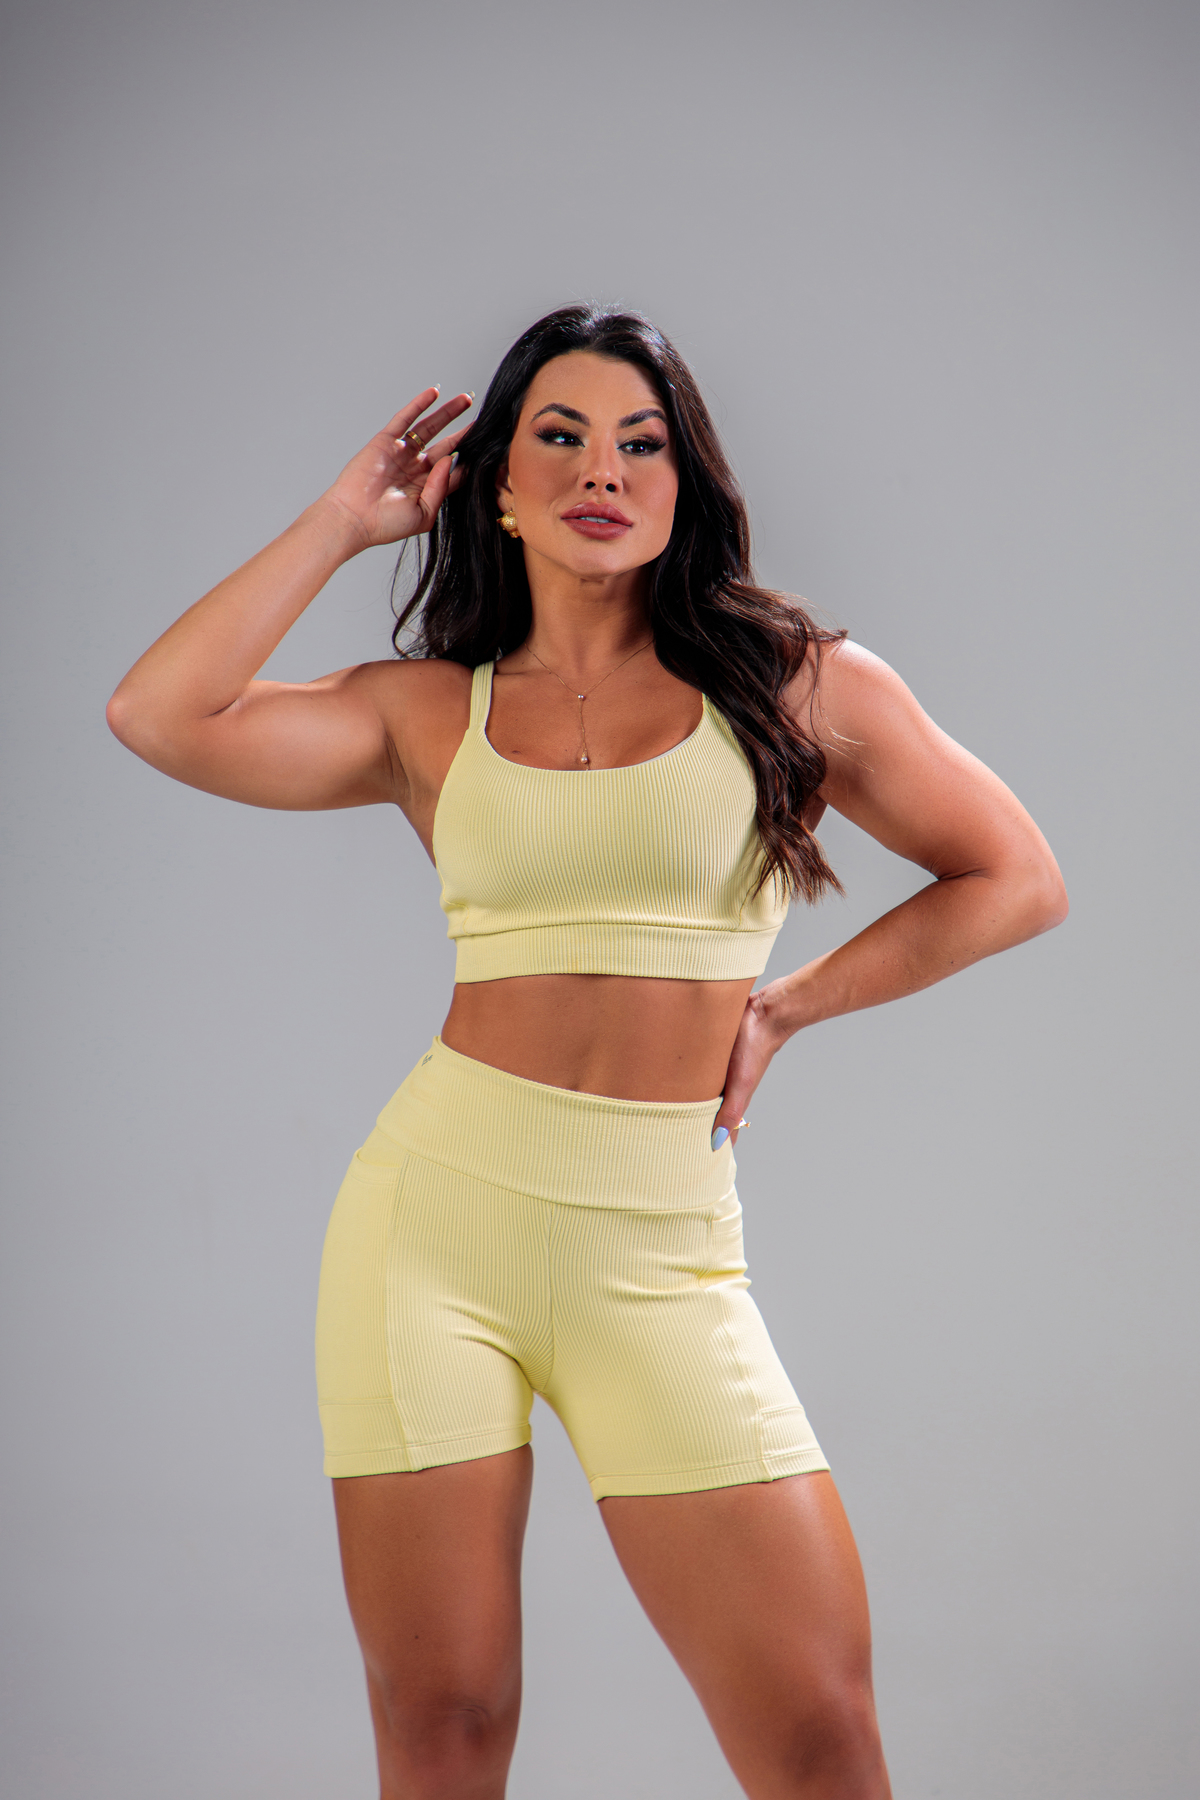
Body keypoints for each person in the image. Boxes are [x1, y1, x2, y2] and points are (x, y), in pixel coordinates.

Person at [107, 304, 1067, 1800]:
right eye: (558, 436)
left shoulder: (795, 684)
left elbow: (1017, 877)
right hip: (434, 1230)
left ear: (686, 483)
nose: (602, 469)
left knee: (819, 1733)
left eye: (641, 442)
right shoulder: (430, 711)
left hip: (660, 1248)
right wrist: (341, 524)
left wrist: (788, 1006)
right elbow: (157, 713)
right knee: (444, 1724)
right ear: (497, 481)